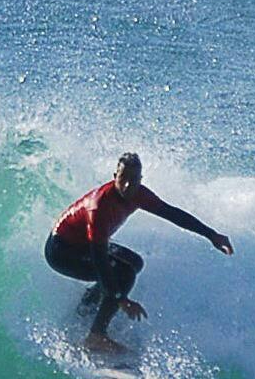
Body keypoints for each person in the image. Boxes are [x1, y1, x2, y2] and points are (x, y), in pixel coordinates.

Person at [46, 152, 233, 355]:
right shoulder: (98, 207)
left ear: (140, 180)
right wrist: (120, 298)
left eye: (133, 180)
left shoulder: (139, 194)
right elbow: (100, 260)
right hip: (62, 250)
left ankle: (85, 312)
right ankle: (96, 336)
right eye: (123, 178)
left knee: (134, 262)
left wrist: (211, 235)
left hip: (84, 244)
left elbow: (172, 214)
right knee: (123, 274)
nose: (127, 185)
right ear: (114, 176)